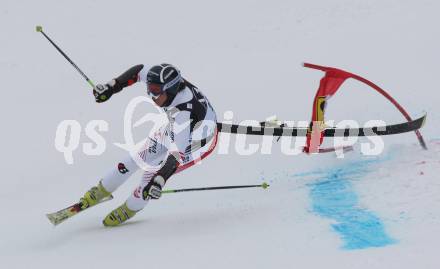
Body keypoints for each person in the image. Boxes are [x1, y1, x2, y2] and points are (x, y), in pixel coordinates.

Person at [80, 63, 218, 226]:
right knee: (135, 159)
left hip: (195, 144)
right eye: (149, 89)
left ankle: (129, 208)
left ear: (170, 89)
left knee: (149, 176)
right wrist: (112, 86)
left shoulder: (183, 113)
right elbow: (139, 70)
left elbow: (176, 156)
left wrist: (160, 179)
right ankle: (100, 190)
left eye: (156, 91)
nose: (152, 95)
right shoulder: (163, 82)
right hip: (178, 129)